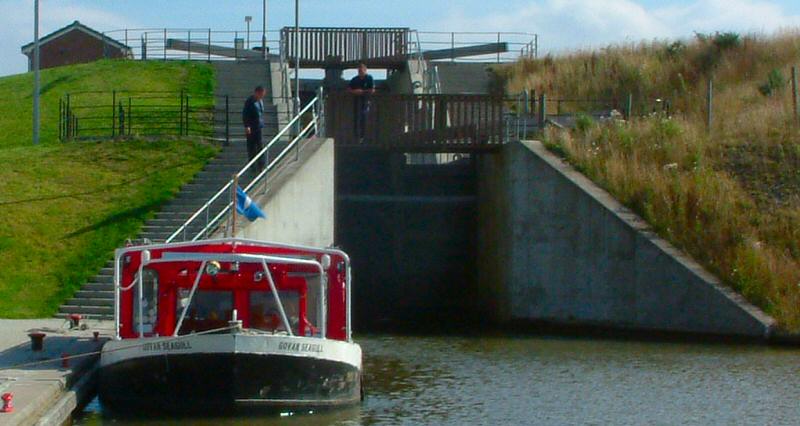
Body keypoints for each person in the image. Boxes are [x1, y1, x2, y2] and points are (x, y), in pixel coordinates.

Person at [242, 85, 267, 171]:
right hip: (251, 127)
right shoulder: (249, 102)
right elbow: (245, 114)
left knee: (260, 145)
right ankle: (252, 165)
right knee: (251, 147)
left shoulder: (260, 101)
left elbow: (261, 113)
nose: (262, 96)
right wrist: (247, 126)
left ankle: (261, 165)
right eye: (261, 94)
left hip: (258, 126)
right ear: (257, 92)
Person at [348, 63, 375, 139]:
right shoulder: (355, 79)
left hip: (366, 101)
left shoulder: (369, 78)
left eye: (361, 71)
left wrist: (362, 91)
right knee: (355, 118)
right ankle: (356, 135)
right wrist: (355, 91)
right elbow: (349, 89)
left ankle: (364, 136)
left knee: (365, 117)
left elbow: (372, 90)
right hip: (356, 101)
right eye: (359, 71)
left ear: (365, 70)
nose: (360, 72)